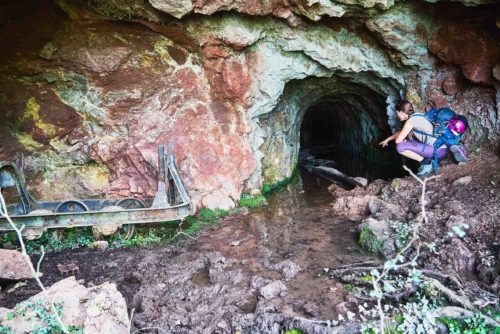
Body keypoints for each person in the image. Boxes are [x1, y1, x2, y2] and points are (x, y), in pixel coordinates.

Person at [379, 100, 459, 177]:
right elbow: (402, 132)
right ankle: (429, 161)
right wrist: (388, 139)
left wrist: (403, 140)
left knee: (400, 147)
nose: (397, 115)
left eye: (397, 113)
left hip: (438, 152)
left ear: (402, 112)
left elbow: (398, 141)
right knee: (409, 140)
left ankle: (426, 163)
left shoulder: (411, 121)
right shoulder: (417, 116)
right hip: (442, 148)